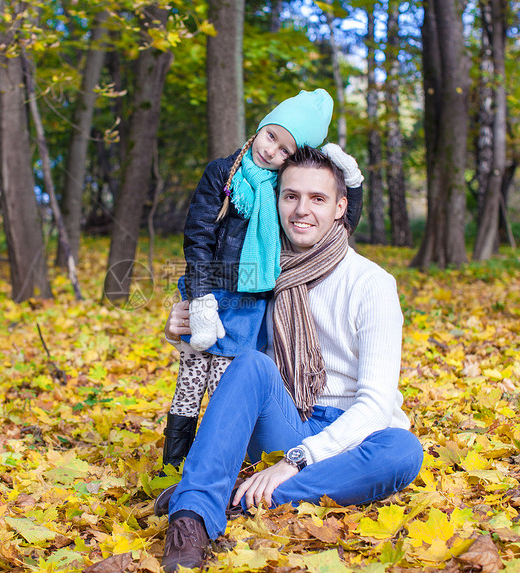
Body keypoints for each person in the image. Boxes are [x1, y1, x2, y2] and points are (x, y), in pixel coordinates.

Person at [159, 146, 424, 572]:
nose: (302, 210)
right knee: (251, 364)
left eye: (317, 199)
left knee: (403, 450)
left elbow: (375, 405)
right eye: (290, 196)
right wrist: (182, 334)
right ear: (276, 200)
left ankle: (231, 493)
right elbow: (225, 348)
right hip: (281, 417)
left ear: (340, 207)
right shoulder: (260, 270)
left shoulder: (371, 283)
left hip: (349, 434)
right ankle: (190, 519)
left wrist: (295, 461)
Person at [163, 88, 365, 473]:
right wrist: (202, 299)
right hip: (206, 291)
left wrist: (351, 180)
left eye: (286, 149)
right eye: (271, 136)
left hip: (248, 304)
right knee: (190, 379)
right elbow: (198, 234)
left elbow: (344, 218)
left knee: (225, 385)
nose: (272, 151)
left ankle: (216, 463)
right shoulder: (224, 173)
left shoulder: (282, 193)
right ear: (260, 127)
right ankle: (171, 466)